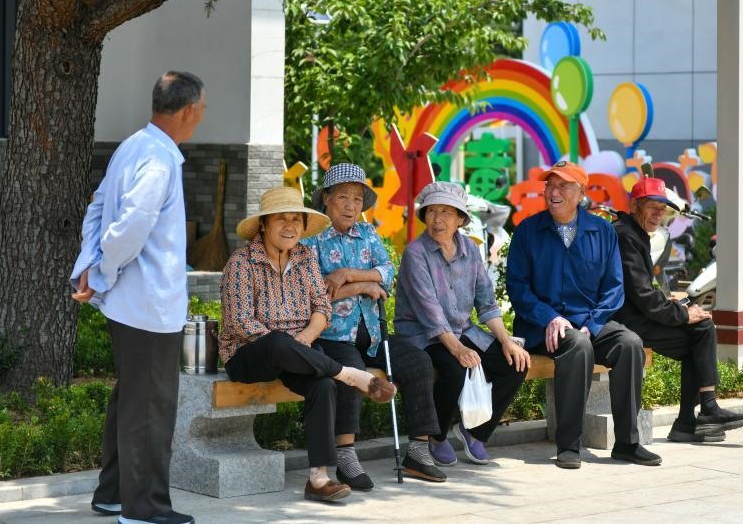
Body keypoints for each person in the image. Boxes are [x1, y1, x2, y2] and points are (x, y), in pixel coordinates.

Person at [70, 71, 207, 524]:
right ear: (188, 110)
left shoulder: (132, 146)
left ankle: (113, 493)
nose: (203, 116)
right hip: (148, 304)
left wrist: (91, 266)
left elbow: (96, 206)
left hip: (130, 303)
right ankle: (144, 508)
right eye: (203, 108)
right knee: (150, 406)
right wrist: (100, 272)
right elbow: (130, 226)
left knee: (131, 398)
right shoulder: (159, 160)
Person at [219, 186, 397, 503]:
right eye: (281, 219)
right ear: (264, 225)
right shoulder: (242, 262)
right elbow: (241, 323)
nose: (290, 226)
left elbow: (322, 307)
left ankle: (318, 478)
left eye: (296, 220)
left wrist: (304, 340)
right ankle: (349, 375)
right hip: (250, 354)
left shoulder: (304, 257)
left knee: (323, 386)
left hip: (299, 350)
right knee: (277, 342)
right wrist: (288, 346)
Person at [506, 160, 659, 469]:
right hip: (542, 327)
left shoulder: (602, 231)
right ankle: (568, 445)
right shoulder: (528, 231)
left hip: (588, 322)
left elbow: (614, 287)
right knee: (577, 344)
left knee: (629, 343)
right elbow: (518, 288)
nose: (554, 192)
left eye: (563, 186)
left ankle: (627, 443)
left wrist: (593, 323)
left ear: (581, 193)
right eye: (550, 185)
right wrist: (549, 317)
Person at [302, 163, 447, 486]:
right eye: (343, 197)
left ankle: (418, 452)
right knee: (353, 373)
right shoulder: (312, 240)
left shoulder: (367, 233)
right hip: (333, 335)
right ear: (326, 198)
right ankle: (345, 456)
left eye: (357, 199)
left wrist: (347, 275)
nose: (351, 205)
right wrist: (364, 285)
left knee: (418, 362)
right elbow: (315, 290)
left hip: (372, 333)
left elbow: (388, 271)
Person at [395, 181, 530, 467]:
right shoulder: (415, 253)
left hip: (462, 329)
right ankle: (437, 436)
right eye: (432, 211)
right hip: (421, 335)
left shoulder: (469, 248)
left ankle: (475, 430)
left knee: (515, 363)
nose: (438, 219)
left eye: (446, 212)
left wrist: (506, 341)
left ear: (460, 219)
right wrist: (458, 350)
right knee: (454, 368)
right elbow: (430, 314)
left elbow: (486, 302)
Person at [614, 177, 743, 442]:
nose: (658, 214)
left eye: (662, 209)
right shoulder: (625, 236)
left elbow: (644, 291)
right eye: (652, 207)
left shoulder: (636, 233)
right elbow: (642, 295)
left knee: (700, 331)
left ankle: (692, 419)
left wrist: (678, 307)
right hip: (623, 321)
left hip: (636, 314)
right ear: (634, 206)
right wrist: (681, 313)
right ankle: (700, 414)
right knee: (698, 332)